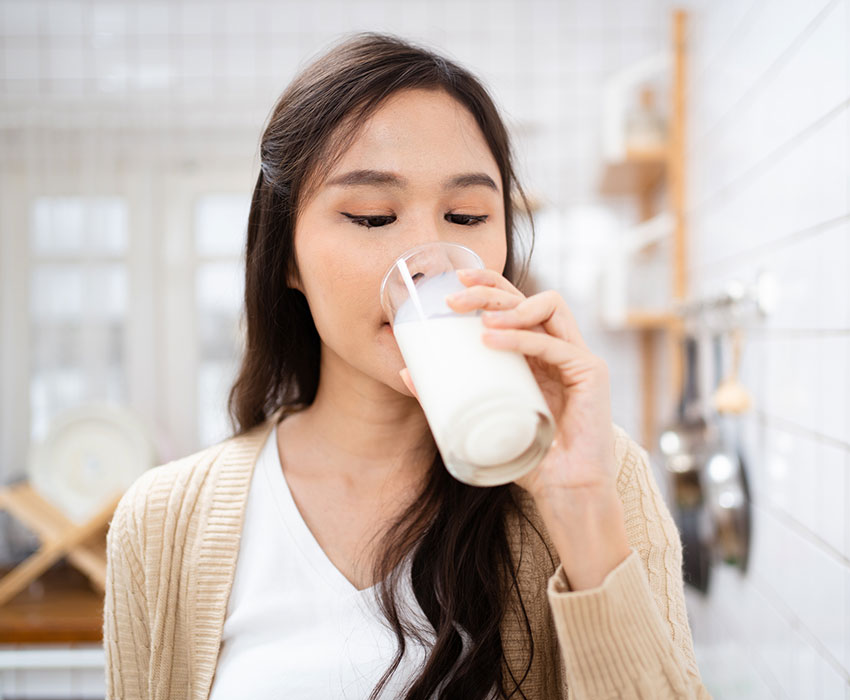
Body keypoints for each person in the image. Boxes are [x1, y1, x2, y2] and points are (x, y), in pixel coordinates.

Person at [103, 31, 711, 700]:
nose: (428, 254)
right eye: (371, 216)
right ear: (286, 258)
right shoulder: (162, 521)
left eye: (466, 214)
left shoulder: (598, 475)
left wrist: (581, 509)